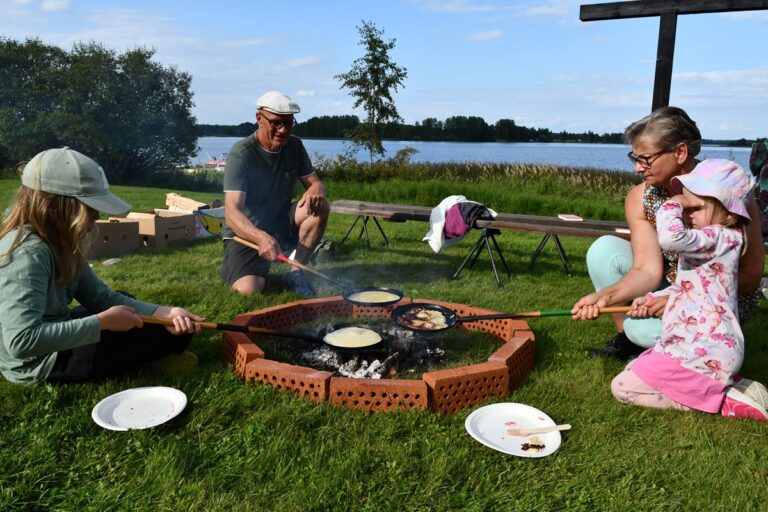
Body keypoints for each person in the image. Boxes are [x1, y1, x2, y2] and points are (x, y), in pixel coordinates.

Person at [572, 107, 765, 359]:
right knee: (603, 249)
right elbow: (646, 269)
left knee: (639, 329)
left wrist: (685, 300)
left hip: (720, 301)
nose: (637, 169)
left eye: (645, 159)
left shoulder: (726, 191)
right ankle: (627, 340)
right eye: (635, 158)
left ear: (680, 152)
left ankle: (713, 344)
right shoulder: (640, 197)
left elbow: (751, 274)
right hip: (673, 287)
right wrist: (603, 298)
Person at [0, 147, 203, 385]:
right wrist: (101, 323)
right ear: (58, 206)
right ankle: (154, 357)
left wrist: (162, 312)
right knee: (165, 336)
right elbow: (21, 342)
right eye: (89, 208)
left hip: (56, 330)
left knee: (131, 308)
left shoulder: (61, 242)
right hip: (38, 363)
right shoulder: (27, 255)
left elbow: (99, 296)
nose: (96, 216)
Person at [610, 159, 768, 421]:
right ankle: (719, 386)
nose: (686, 213)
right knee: (633, 368)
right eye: (686, 207)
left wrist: (673, 203)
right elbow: (690, 287)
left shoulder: (721, 237)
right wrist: (654, 298)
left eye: (695, 207)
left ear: (727, 212)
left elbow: (670, 238)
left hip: (703, 350)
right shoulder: (711, 241)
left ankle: (720, 400)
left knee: (622, 388)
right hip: (693, 346)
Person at [220, 91, 330, 297]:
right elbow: (232, 214)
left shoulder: (295, 145)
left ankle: (296, 273)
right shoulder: (241, 154)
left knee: (321, 205)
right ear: (259, 119)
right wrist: (261, 237)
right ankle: (237, 267)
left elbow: (315, 184)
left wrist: (317, 187)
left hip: (280, 222)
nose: (283, 130)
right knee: (249, 290)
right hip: (245, 233)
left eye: (289, 123)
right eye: (277, 123)